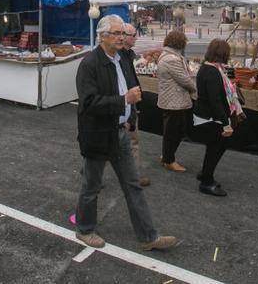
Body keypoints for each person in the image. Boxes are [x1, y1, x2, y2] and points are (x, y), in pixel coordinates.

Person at [74, 14, 177, 251]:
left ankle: (148, 236)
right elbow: (88, 103)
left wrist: (130, 116)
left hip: (120, 133)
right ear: (102, 36)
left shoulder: (122, 59)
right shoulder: (89, 64)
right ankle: (84, 229)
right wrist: (123, 101)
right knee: (91, 186)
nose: (123, 37)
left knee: (133, 185)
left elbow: (132, 89)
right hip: (98, 134)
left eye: (123, 33)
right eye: (117, 33)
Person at [190, 39, 237, 197]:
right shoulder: (213, 72)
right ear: (223, 54)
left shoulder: (207, 68)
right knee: (214, 148)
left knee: (217, 147)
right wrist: (225, 123)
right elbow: (215, 101)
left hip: (206, 115)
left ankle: (205, 174)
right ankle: (206, 182)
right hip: (210, 118)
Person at [156, 30, 196, 173]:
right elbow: (185, 80)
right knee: (174, 132)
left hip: (172, 100)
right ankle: (168, 160)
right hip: (174, 102)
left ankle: (166, 156)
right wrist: (195, 87)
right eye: (184, 41)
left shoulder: (168, 55)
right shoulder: (172, 59)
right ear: (179, 42)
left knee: (173, 131)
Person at [119, 23, 150, 187]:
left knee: (129, 141)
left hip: (129, 101)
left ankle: (135, 174)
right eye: (133, 35)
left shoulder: (128, 54)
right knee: (129, 141)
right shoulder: (118, 56)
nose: (136, 37)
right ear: (123, 36)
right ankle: (135, 175)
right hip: (123, 103)